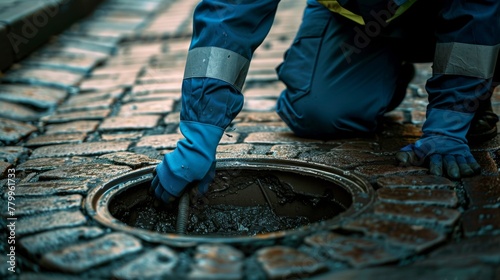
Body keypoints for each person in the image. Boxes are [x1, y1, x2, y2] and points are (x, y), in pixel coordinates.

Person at [151, 0, 500, 204]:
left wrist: (450, 124)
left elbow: (479, 15)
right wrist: (200, 131)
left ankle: (472, 98)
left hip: (450, 11)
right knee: (318, 111)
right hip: (359, 20)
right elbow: (231, 12)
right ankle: (384, 71)